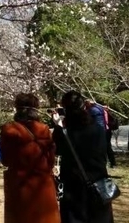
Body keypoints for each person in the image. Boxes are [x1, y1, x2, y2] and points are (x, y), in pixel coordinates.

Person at [53, 91, 115, 223]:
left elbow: (56, 151)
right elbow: (103, 154)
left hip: (73, 187)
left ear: (64, 110)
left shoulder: (63, 134)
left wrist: (57, 126)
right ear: (84, 107)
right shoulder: (98, 129)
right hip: (99, 184)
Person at [0, 93, 61, 223]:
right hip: (43, 185)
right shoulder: (44, 129)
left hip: (19, 185)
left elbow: (5, 159)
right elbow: (51, 160)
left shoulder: (9, 130)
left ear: (17, 108)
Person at [86, 99, 117, 168]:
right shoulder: (102, 109)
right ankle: (112, 163)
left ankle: (106, 163)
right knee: (107, 147)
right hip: (107, 130)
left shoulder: (94, 110)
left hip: (103, 130)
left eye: (86, 104)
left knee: (103, 147)